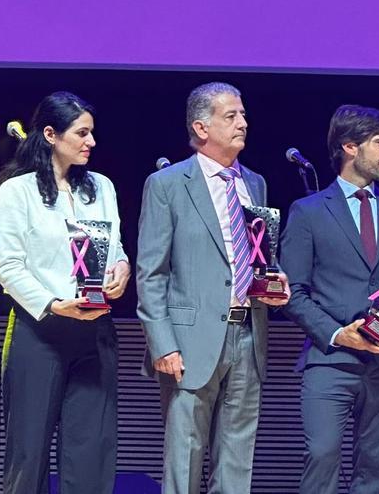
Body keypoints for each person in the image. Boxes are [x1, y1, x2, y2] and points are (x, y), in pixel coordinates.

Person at [136, 82, 288, 494]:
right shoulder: (168, 184)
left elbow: (256, 255)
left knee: (237, 457)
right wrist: (162, 344)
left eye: (243, 114)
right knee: (184, 457)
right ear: (201, 128)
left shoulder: (254, 182)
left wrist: (273, 282)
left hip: (247, 333)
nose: (243, 122)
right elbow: (151, 273)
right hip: (189, 341)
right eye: (231, 116)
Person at [280, 105, 379, 493]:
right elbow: (292, 292)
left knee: (373, 469)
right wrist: (337, 335)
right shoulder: (309, 211)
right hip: (330, 360)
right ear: (350, 146)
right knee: (321, 456)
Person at [0, 91, 129, 494]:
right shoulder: (18, 192)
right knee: (28, 454)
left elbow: (113, 246)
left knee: (90, 453)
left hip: (95, 332)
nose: (92, 142)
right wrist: (53, 305)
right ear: (51, 134)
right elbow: (8, 267)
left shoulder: (101, 187)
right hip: (40, 332)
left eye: (92, 133)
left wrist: (121, 268)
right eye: (82, 133)